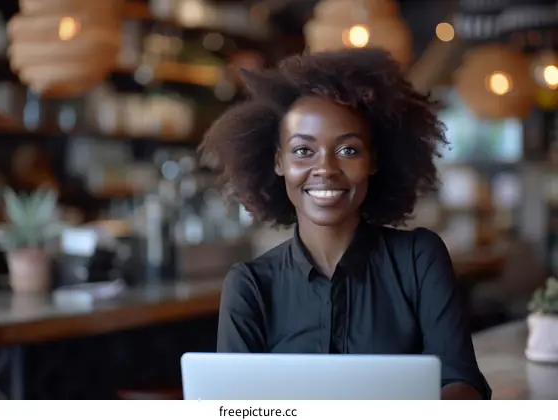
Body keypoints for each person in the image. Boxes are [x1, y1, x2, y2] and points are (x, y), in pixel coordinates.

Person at [198, 47, 491, 400]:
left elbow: (463, 383)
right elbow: (233, 407)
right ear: (279, 163)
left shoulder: (419, 259)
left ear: (374, 161)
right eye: (304, 151)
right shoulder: (251, 287)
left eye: (348, 150)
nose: (325, 170)